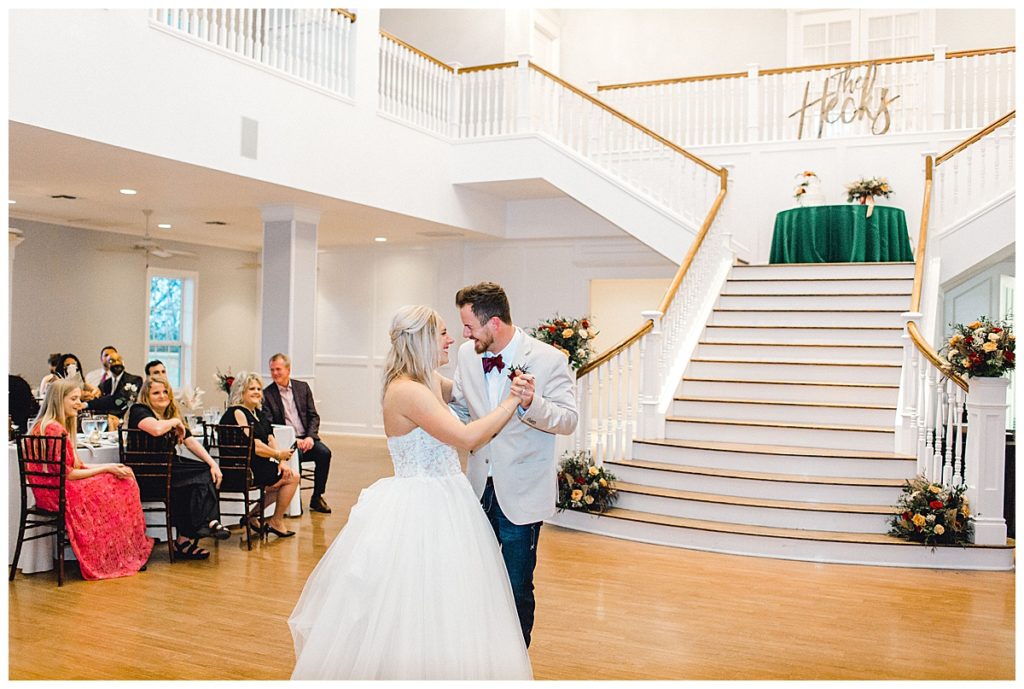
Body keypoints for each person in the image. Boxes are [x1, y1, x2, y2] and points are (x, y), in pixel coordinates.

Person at [289, 305, 532, 679]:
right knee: (418, 602)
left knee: (453, 600)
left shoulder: (429, 380)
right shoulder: (406, 391)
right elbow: (468, 437)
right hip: (422, 507)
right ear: (422, 340)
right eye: (443, 334)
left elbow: (467, 394)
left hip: (449, 500)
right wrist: (511, 401)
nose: (450, 340)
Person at [450, 282, 579, 648]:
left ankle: (515, 662)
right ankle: (481, 654)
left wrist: (531, 404)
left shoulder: (549, 359)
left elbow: (568, 420)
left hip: (521, 492)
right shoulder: (466, 355)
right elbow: (461, 407)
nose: (465, 334)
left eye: (469, 326)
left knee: (517, 586)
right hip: (477, 487)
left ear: (494, 323)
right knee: (476, 580)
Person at [27, 377, 153, 580]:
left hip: (49, 492)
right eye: (74, 399)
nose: (79, 404)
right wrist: (108, 468)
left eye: (79, 399)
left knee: (119, 477)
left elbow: (75, 467)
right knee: (123, 485)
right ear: (59, 400)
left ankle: (120, 550)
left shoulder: (44, 425)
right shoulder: (54, 429)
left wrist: (110, 468)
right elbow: (69, 473)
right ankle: (117, 553)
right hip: (60, 493)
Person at [127, 376, 231, 560]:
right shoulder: (139, 410)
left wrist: (213, 464)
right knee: (198, 476)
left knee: (205, 472)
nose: (162, 396)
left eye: (165, 392)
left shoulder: (171, 414)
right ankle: (206, 524)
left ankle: (186, 538)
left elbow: (190, 442)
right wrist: (175, 422)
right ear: (146, 396)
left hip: (169, 469)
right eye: (156, 393)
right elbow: (156, 429)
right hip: (148, 473)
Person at [219, 373, 299, 538]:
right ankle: (274, 521)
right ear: (241, 392)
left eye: (258, 389)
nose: (256, 392)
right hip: (240, 469)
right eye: (251, 389)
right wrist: (278, 454)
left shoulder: (257, 412)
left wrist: (281, 461)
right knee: (292, 478)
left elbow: (270, 438)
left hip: (256, 466)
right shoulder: (237, 412)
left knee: (286, 475)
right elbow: (254, 445)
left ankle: (252, 516)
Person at [262, 353, 333, 514]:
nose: (275, 373)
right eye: (272, 370)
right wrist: (293, 440)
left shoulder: (302, 388)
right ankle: (294, 499)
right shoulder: (267, 394)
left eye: (278, 369)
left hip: (307, 438)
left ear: (288, 369)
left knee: (325, 453)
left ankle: (317, 497)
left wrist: (310, 437)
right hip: (287, 442)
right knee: (296, 457)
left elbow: (313, 416)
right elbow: (270, 425)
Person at [84, 352, 142, 417]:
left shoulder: (134, 380)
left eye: (119, 360)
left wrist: (87, 404)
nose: (116, 363)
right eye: (112, 361)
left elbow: (118, 401)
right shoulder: (104, 384)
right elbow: (98, 400)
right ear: (107, 365)